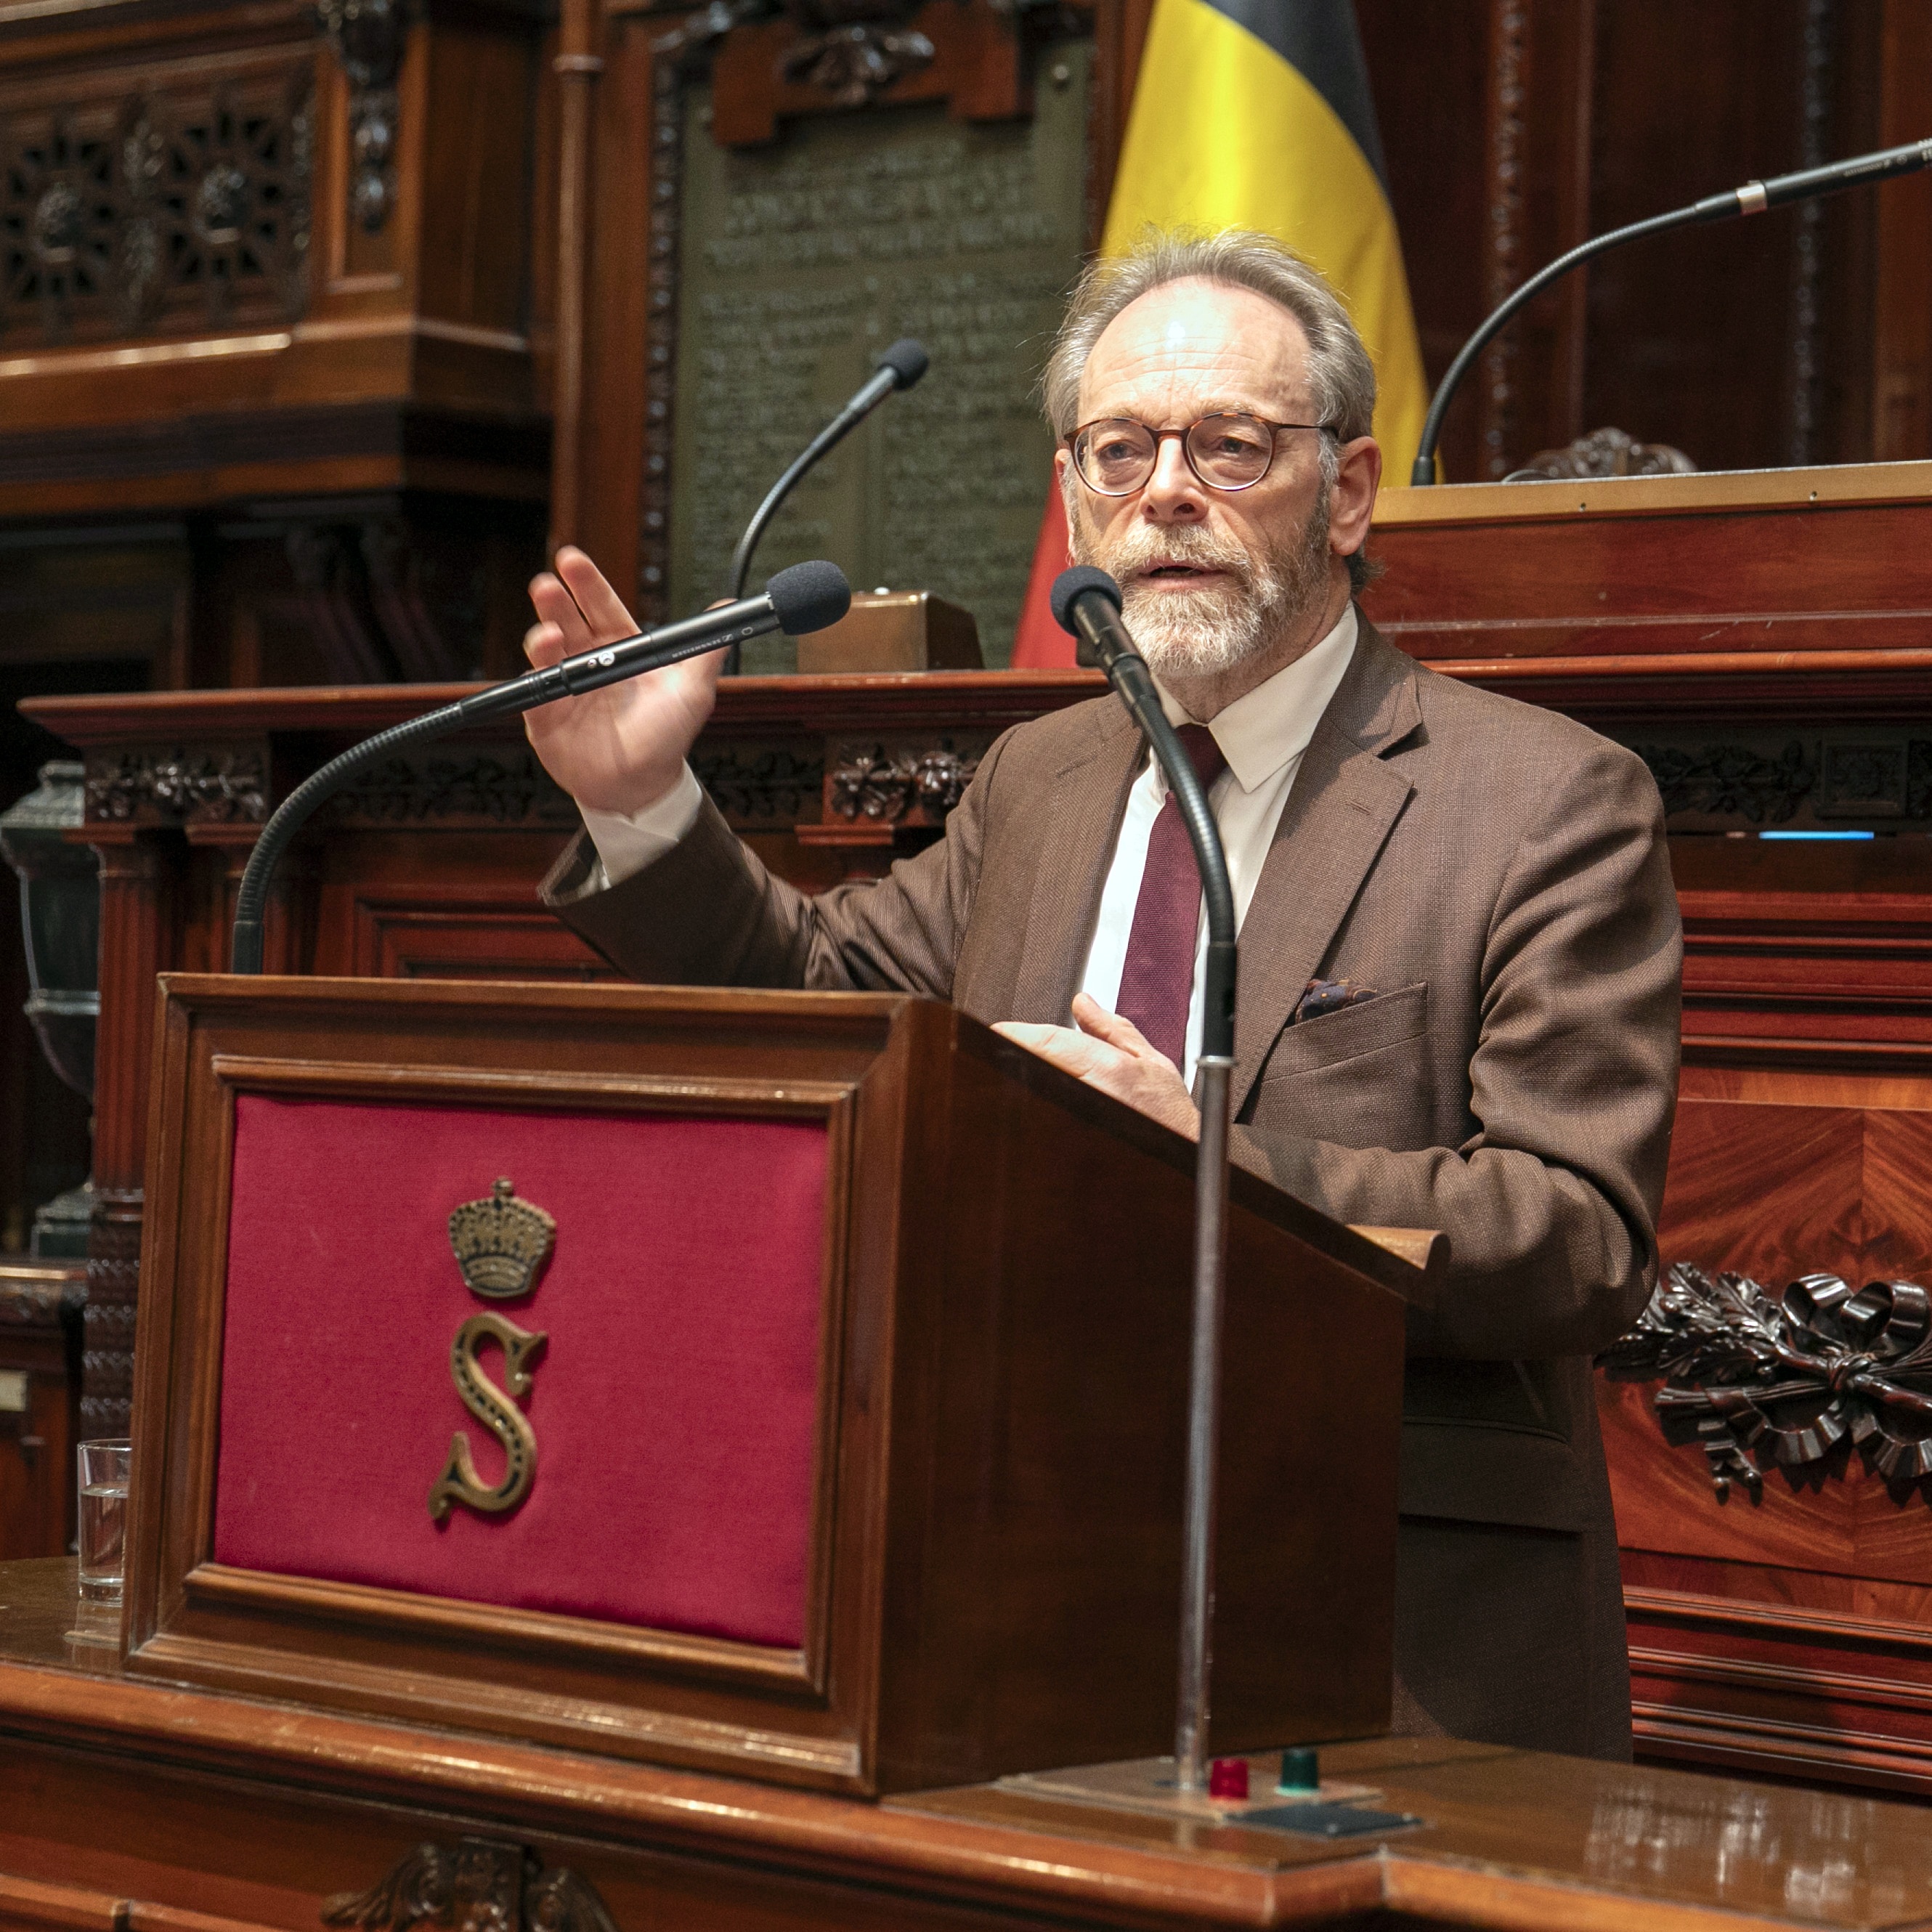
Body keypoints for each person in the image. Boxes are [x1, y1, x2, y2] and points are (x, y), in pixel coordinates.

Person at [522, 229, 1681, 1760]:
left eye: (1231, 445)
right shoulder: (1044, 775)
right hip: (1023, 1576)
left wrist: (1211, 1161)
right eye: (1120, 451)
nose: (1167, 493)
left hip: (1382, 1621)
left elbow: (1577, 1238)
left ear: (1345, 492)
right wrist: (647, 804)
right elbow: (828, 1000)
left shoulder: (1541, 798)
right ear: (1074, 496)